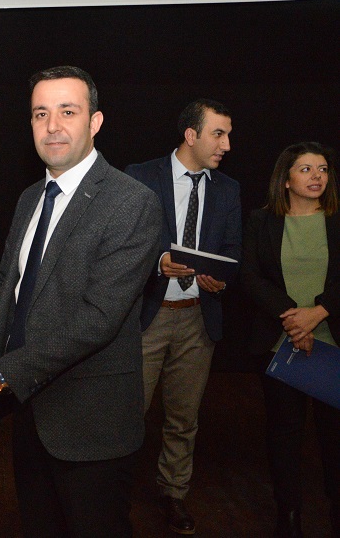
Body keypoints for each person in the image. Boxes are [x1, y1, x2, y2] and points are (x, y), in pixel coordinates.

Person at [0, 66, 162, 537]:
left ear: (95, 122)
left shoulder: (131, 202)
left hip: (91, 424)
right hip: (31, 411)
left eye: (67, 112)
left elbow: (98, 319)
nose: (52, 126)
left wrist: (3, 374)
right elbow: (9, 285)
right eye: (40, 114)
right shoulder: (31, 197)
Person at [124, 99, 241, 535]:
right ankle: (114, 493)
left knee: (183, 419)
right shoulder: (140, 176)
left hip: (197, 319)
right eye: (218, 134)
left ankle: (173, 494)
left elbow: (232, 251)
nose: (226, 145)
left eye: (228, 135)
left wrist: (220, 280)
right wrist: (158, 262)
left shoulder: (228, 188)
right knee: (127, 414)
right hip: (146, 319)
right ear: (191, 135)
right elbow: (120, 242)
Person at [240, 142, 340, 538]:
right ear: (285, 180)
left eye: (323, 169)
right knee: (284, 436)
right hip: (281, 345)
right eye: (306, 169)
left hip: (333, 347)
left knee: (335, 440)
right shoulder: (261, 220)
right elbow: (250, 276)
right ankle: (289, 517)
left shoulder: (337, 220)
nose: (317, 176)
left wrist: (317, 313)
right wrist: (294, 319)